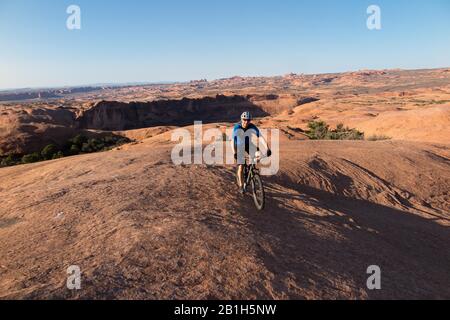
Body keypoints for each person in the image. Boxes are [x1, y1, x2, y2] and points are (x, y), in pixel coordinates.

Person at [231, 111, 271, 192]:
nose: (246, 121)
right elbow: (232, 141)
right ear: (241, 119)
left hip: (249, 144)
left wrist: (267, 148)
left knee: (258, 154)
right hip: (239, 146)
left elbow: (260, 137)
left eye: (248, 120)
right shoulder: (237, 127)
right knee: (241, 166)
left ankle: (251, 169)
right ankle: (241, 186)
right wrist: (234, 153)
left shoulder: (252, 126)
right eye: (244, 120)